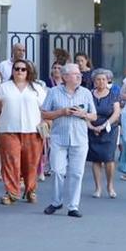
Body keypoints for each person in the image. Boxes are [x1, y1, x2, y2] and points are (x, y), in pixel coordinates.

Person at [40, 62, 98, 218]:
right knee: (58, 171)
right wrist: (62, 112)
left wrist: (83, 114)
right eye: (75, 74)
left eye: (79, 74)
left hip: (79, 138)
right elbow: (44, 114)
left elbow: (94, 115)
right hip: (59, 137)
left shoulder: (86, 93)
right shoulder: (53, 92)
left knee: (77, 173)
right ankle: (56, 201)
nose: (79, 76)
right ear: (65, 77)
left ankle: (73, 206)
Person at [0, 57, 44, 204]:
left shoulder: (37, 88)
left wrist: (47, 123)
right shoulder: (4, 87)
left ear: (28, 71)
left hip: (32, 130)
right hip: (8, 130)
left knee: (31, 163)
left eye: (23, 69)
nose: (20, 72)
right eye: (17, 69)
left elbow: (45, 109)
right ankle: (11, 192)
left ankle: (30, 190)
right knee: (10, 161)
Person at [85, 68, 121, 201]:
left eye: (104, 79)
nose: (101, 82)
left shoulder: (113, 94)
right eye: (98, 79)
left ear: (108, 81)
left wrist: (105, 125)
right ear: (94, 81)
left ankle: (110, 186)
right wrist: (90, 126)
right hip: (92, 128)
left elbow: (116, 113)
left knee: (108, 158)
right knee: (96, 159)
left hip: (109, 129)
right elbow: (85, 112)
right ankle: (97, 187)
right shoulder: (89, 94)